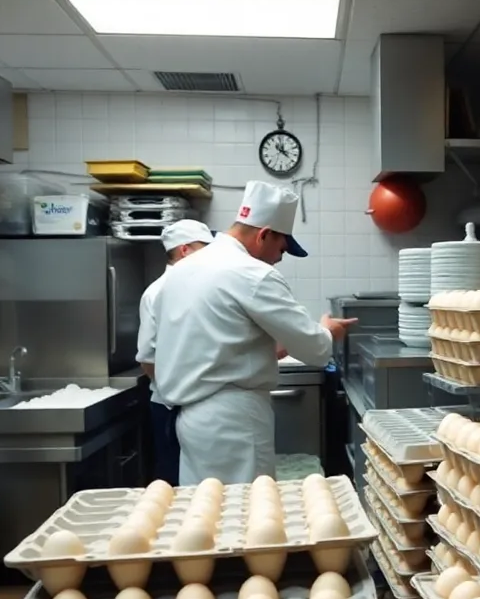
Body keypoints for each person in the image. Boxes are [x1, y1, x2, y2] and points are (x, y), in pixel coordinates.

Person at [153, 181, 356, 485]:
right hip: (234, 423)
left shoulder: (182, 271)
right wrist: (327, 331)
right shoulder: (252, 274)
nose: (279, 258)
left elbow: (220, 341)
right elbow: (314, 349)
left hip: (191, 420)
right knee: (245, 517)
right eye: (281, 248)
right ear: (264, 235)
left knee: (204, 516)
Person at [136, 218, 214, 485]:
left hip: (196, 402)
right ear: (184, 250)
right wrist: (174, 392)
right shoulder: (157, 292)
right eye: (205, 249)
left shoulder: (201, 287)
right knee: (174, 481)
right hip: (170, 406)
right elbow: (148, 357)